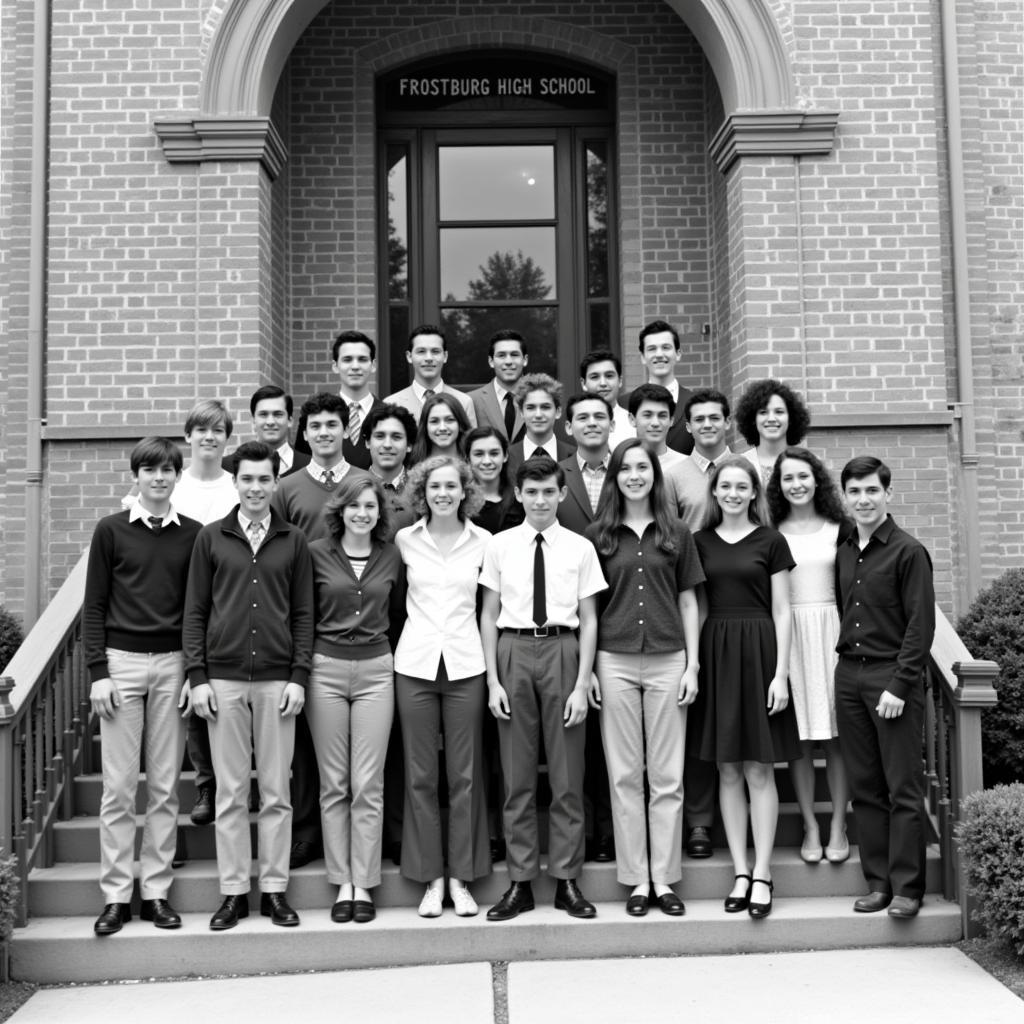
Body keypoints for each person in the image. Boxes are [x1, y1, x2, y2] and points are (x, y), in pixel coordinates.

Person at [184, 440, 314, 931]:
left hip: (278, 682)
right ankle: (235, 892)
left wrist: (299, 676)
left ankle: (275, 891)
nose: (256, 487)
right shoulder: (212, 538)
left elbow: (304, 614)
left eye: (264, 479)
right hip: (224, 680)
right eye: (248, 479)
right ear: (234, 482)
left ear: (275, 483)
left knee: (278, 792)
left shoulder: (293, 540)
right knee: (232, 792)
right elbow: (195, 611)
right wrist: (197, 678)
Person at [480, 456, 607, 922]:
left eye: (548, 492)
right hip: (513, 651)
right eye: (530, 492)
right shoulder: (499, 546)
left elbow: (590, 617)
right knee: (515, 777)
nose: (539, 500)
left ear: (560, 494)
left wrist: (581, 682)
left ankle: (568, 880)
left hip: (563, 649)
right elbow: (488, 614)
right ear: (518, 493)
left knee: (567, 776)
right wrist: (493, 680)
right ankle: (519, 883)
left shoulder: (580, 547)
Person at [85, 437, 203, 936]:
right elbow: (93, 605)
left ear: (178, 476)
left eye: (167, 470)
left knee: (162, 787)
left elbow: (199, 609)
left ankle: (154, 892)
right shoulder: (111, 531)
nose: (158, 477)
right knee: (116, 789)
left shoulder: (194, 535)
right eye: (149, 469)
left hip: (173, 665)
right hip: (122, 664)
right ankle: (115, 896)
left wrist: (194, 673)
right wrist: (98, 673)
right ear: (135, 475)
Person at [585, 439, 704, 917]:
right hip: (613, 660)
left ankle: (664, 878)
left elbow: (689, 601)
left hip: (668, 658)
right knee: (625, 774)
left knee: (668, 775)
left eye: (643, 467)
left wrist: (693, 664)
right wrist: (589, 670)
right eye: (625, 469)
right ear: (614, 477)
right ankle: (637, 880)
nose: (635, 475)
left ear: (655, 474)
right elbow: (589, 609)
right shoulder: (599, 535)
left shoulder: (676, 533)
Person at [691, 456, 800, 919]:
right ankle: (738, 869)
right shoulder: (697, 542)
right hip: (716, 653)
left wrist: (781, 673)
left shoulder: (771, 541)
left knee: (759, 769)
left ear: (754, 492)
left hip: (759, 652)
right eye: (725, 486)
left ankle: (762, 872)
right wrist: (694, 664)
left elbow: (782, 609)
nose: (733, 493)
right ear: (713, 492)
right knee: (727, 769)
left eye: (742, 486)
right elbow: (694, 608)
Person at [273, 392, 371, 870]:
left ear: (345, 430)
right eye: (316, 426)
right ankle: (307, 832)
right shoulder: (287, 489)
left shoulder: (362, 483)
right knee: (309, 748)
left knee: (364, 752)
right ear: (304, 432)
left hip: (357, 629)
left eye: (333, 424)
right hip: (304, 624)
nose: (325, 432)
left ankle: (366, 836)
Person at [835, 456, 935, 919]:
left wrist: (899, 683)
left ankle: (908, 888)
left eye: (872, 490)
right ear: (846, 497)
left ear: (888, 494)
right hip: (849, 676)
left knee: (903, 787)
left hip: (890, 680)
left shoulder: (908, 551)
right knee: (866, 787)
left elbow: (921, 625)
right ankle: (877, 883)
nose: (863, 499)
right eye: (855, 492)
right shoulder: (845, 548)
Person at [393, 456, 491, 918]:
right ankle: (432, 879)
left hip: (466, 665)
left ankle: (461, 878)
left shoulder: (484, 542)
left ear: (465, 491)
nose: (444, 493)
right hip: (414, 665)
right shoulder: (404, 541)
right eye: (435, 486)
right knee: (421, 776)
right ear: (422, 492)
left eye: (452, 485)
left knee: (465, 775)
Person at [306, 475, 405, 924]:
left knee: (368, 781)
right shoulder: (314, 554)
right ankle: (340, 879)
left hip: (376, 672)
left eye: (371, 506)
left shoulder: (392, 555)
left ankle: (362, 882)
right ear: (340, 511)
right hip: (324, 671)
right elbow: (302, 615)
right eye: (354, 506)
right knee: (334, 783)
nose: (363, 513)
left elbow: (401, 612)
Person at [767, 448, 851, 864]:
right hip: (789, 636)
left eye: (803, 476)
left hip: (832, 631)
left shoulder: (840, 527)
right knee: (799, 739)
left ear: (816, 479)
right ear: (778, 486)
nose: (796, 485)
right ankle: (809, 824)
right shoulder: (771, 529)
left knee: (835, 737)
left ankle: (838, 822)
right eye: (788, 479)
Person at [556, 393, 615, 861]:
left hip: (625, 618)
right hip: (572, 622)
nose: (591, 423)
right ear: (568, 425)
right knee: (581, 741)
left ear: (612, 423)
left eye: (599, 416)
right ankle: (589, 828)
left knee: (615, 739)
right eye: (582, 417)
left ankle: (613, 831)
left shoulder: (632, 470)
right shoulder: (554, 478)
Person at [666, 388, 734, 533]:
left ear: (727, 422)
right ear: (688, 427)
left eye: (714, 418)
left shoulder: (747, 469)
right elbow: (669, 535)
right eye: (699, 419)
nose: (707, 425)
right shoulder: (672, 477)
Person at [384, 323, 477, 426]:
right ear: (409, 357)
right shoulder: (391, 404)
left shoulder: (463, 402)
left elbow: (470, 441)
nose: (428, 358)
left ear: (445, 356)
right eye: (421, 351)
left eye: (435, 351)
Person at [632, 320, 694, 455]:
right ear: (643, 357)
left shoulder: (695, 403)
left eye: (666, 347)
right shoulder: (625, 403)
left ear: (678, 354)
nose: (659, 355)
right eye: (652, 349)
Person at [735, 379, 811, 486]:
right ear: (753, 419)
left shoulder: (807, 464)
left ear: (791, 418)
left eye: (779, 412)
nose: (771, 418)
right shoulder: (739, 465)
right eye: (763, 412)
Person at [362, 402, 419, 541]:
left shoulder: (422, 488)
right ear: (368, 442)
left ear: (409, 445)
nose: (387, 445)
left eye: (396, 437)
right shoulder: (352, 487)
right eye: (380, 436)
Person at [224, 386, 309, 477]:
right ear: (253, 420)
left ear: (290, 421)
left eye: (278, 414)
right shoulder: (227, 466)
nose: (270, 422)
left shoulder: (310, 466)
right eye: (263, 414)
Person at [333, 329, 386, 471]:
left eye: (362, 359)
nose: (355, 366)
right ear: (335, 366)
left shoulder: (389, 415)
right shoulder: (318, 416)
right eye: (347, 359)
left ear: (373, 365)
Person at [506, 373, 575, 476]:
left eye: (545, 407)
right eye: (531, 408)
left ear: (558, 412)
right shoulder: (506, 458)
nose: (538, 415)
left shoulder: (575, 456)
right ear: (521, 413)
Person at [469, 329, 528, 442]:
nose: (508, 361)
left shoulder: (540, 398)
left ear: (525, 360)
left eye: (514, 354)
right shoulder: (471, 400)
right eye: (501, 355)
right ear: (491, 361)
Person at [464, 426, 525, 535]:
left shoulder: (520, 500)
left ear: (505, 456)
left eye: (494, 453)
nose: (487, 461)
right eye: (479, 454)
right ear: (468, 459)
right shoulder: (459, 501)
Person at [579, 350, 633, 450]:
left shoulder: (634, 424)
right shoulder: (574, 424)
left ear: (620, 381)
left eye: (609, 376)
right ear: (583, 383)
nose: (603, 383)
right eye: (595, 377)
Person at [408, 391, 472, 466]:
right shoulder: (411, 465)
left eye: (450, 420)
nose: (442, 428)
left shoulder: (474, 464)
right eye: (434, 421)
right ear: (425, 426)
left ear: (460, 424)